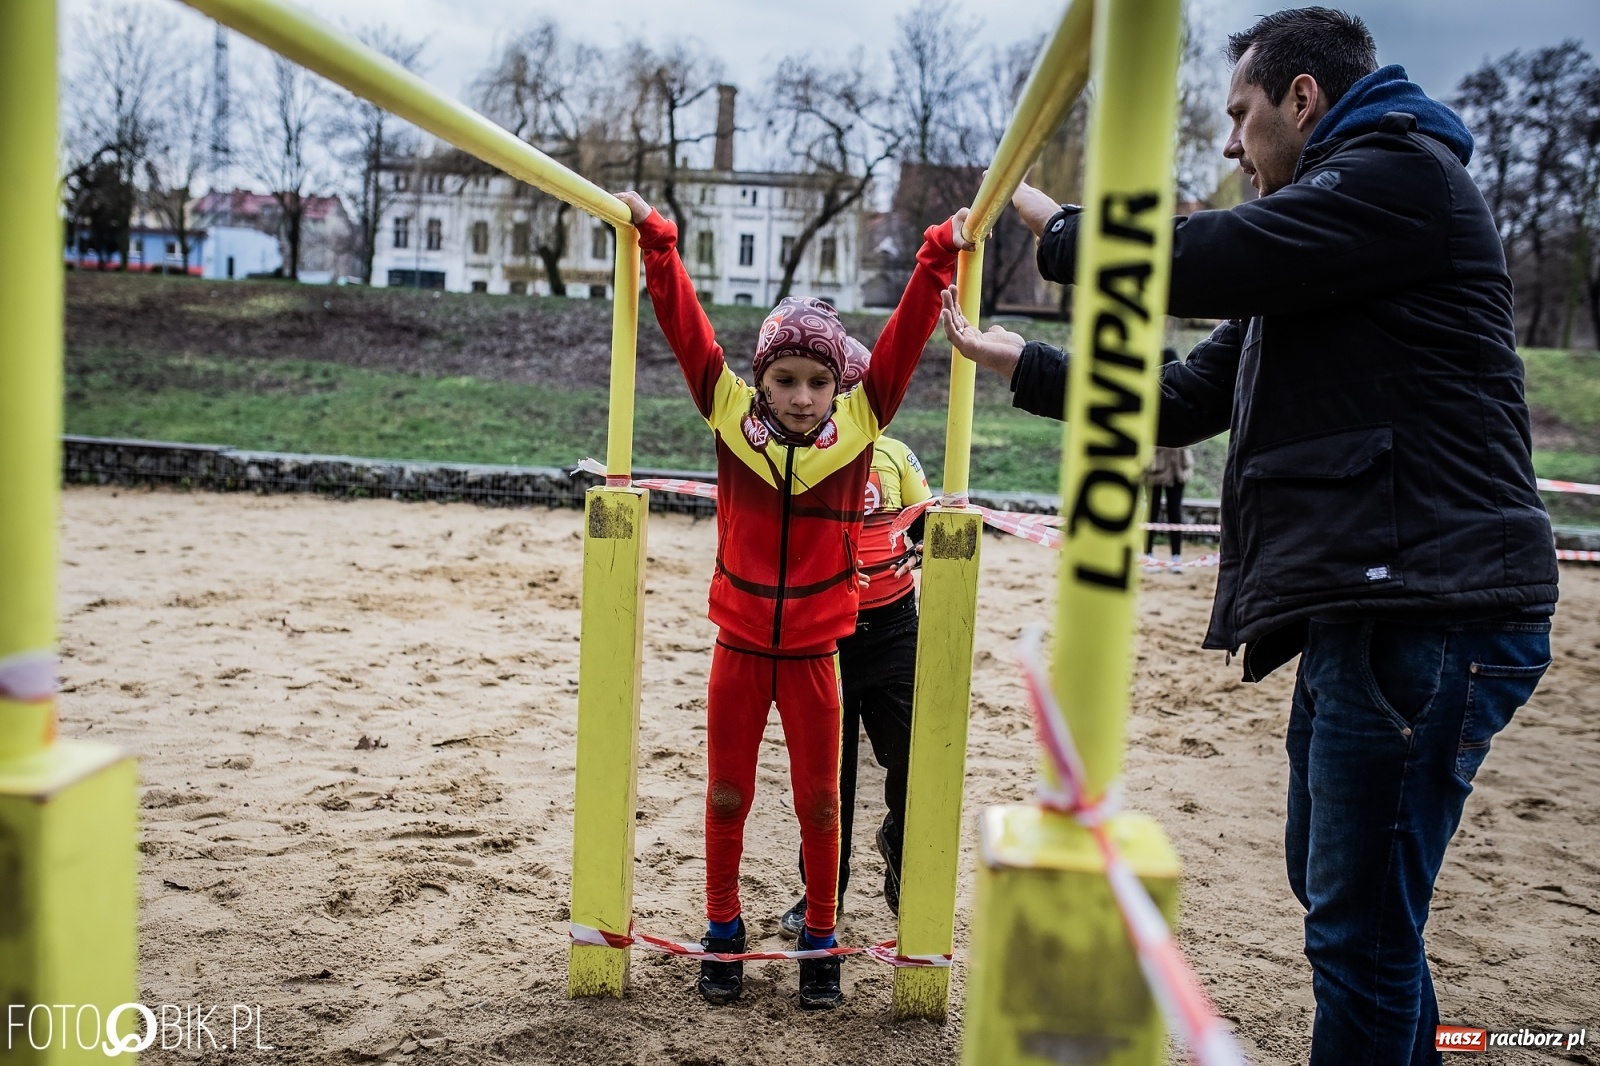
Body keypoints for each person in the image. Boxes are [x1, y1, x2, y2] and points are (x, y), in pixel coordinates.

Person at [939, 9, 1557, 1064]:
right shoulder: (1328, 233)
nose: (1230, 143)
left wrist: (1051, 222)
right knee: (1349, 910)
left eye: (1240, 115)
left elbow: (1198, 254)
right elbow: (1181, 397)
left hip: (1431, 606)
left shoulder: (1394, 181)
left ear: (1301, 98)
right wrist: (1018, 363)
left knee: (1357, 928)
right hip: (1374, 603)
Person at [615, 188, 968, 1010]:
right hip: (738, 649)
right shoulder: (731, 418)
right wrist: (658, 242)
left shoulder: (860, 426)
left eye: (816, 382)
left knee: (820, 802)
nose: (803, 397)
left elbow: (902, 343)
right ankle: (723, 930)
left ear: (834, 385)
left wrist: (936, 254)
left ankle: (819, 938)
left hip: (816, 652)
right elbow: (685, 329)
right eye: (785, 380)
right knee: (728, 794)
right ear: (760, 379)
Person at [778, 433, 930, 937]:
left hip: (894, 629)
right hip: (825, 632)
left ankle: (899, 843)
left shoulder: (895, 453)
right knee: (828, 773)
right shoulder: (800, 456)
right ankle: (823, 894)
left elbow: (930, 519)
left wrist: (928, 544)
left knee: (911, 755)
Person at [1143, 350, 1194, 565]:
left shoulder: (1185, 388)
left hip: (1178, 464)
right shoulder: (1149, 390)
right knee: (1152, 511)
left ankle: (1176, 556)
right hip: (1154, 463)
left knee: (1174, 512)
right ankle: (1148, 554)